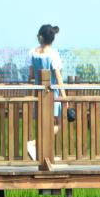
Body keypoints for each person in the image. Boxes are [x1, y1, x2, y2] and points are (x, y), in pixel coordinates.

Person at [25, 24, 67, 163]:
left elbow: (31, 74)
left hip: (39, 93)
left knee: (43, 123)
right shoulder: (53, 54)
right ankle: (34, 144)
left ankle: (45, 153)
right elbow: (58, 75)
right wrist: (64, 95)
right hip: (52, 93)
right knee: (57, 124)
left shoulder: (32, 52)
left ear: (41, 37)